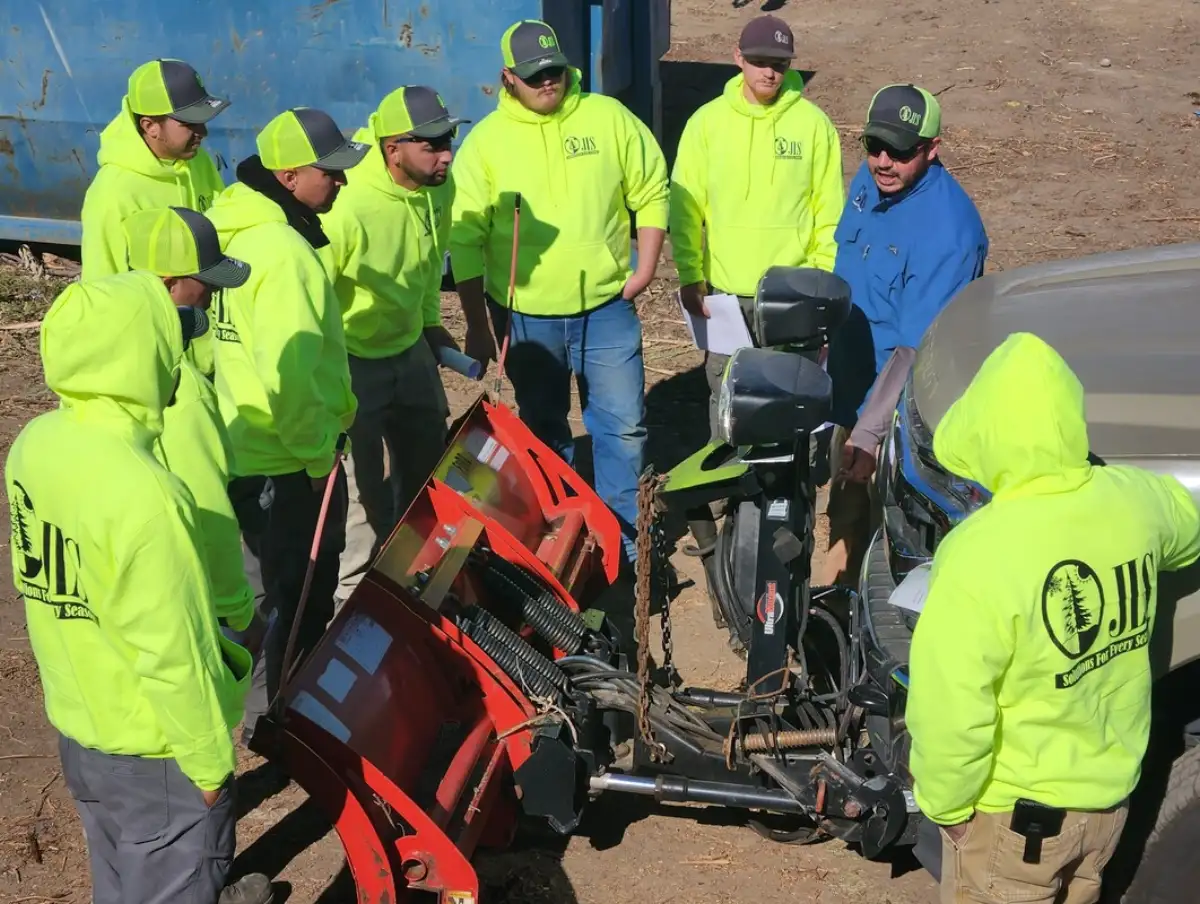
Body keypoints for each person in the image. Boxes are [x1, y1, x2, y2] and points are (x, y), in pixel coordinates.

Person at [4, 232, 273, 903]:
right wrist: (212, 764)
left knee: (120, 879)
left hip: (82, 727)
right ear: (144, 352)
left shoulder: (34, 444)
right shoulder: (145, 490)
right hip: (155, 747)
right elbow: (173, 651)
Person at [907, 332, 1200, 904]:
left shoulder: (978, 554)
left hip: (1016, 817)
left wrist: (946, 805)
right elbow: (1188, 529)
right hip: (1109, 803)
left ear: (984, 433)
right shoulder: (1135, 500)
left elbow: (951, 706)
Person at [450, 19, 670, 564]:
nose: (547, 81)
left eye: (553, 69)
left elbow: (651, 188)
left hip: (607, 309)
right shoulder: (485, 145)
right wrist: (479, 323)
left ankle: (624, 548)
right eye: (533, 75)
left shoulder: (608, 118)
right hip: (527, 318)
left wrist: (643, 270)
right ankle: (567, 544)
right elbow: (466, 239)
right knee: (545, 431)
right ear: (507, 77)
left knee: (623, 429)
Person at [206, 107, 365, 739]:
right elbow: (293, 373)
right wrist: (320, 455)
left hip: (245, 449)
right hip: (290, 459)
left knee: (257, 596)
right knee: (300, 595)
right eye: (330, 173)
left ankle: (254, 712)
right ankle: (283, 722)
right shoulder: (283, 253)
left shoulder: (234, 234)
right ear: (290, 174)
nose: (342, 184)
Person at [822, 84, 989, 586]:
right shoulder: (872, 181)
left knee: (895, 537)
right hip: (848, 387)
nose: (883, 161)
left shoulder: (949, 231)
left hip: (899, 413)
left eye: (900, 150)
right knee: (843, 513)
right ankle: (831, 607)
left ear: (932, 148)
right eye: (874, 146)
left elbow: (915, 349)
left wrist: (869, 434)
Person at [320, 86, 466, 605]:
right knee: (362, 495)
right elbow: (314, 295)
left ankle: (421, 582)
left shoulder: (438, 186)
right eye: (431, 145)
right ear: (392, 149)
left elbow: (430, 263)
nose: (446, 153)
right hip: (352, 359)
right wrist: (324, 373)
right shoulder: (348, 204)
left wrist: (429, 325)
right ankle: (352, 604)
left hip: (408, 350)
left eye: (449, 139)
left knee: (429, 469)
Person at [669, 14, 844, 435]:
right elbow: (685, 207)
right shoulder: (706, 124)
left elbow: (829, 213)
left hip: (793, 298)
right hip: (727, 298)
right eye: (760, 61)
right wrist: (691, 275)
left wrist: (819, 282)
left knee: (791, 400)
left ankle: (787, 493)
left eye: (780, 64)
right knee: (727, 399)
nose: (770, 72)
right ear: (738, 59)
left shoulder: (813, 125)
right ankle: (726, 491)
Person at [121, 206, 267, 654]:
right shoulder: (180, 393)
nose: (212, 297)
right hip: (182, 606)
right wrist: (239, 614)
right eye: (205, 284)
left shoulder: (99, 364)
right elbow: (211, 516)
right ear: (169, 284)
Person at [80, 58, 230, 375]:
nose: (202, 131)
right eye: (189, 123)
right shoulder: (114, 193)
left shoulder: (197, 162)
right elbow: (103, 289)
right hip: (159, 363)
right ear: (149, 126)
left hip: (210, 353)